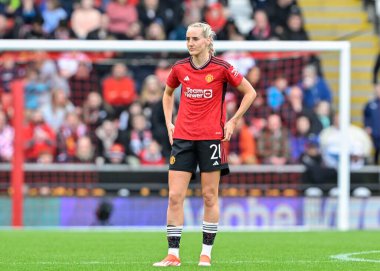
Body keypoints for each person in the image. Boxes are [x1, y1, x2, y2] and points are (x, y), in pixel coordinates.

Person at [153, 22, 256, 267]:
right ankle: (173, 255)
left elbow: (250, 92)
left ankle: (205, 253)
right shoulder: (179, 68)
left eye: (195, 39)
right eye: (188, 38)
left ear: (208, 41)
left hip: (211, 139)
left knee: (210, 196)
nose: (190, 43)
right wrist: (169, 123)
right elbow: (167, 94)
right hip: (183, 138)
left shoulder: (222, 68)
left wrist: (233, 121)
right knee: (175, 196)